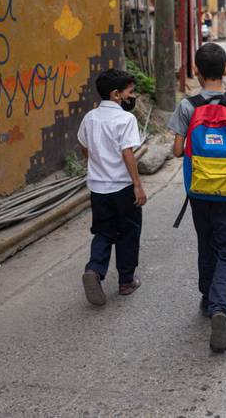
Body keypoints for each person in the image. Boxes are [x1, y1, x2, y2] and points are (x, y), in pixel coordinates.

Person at [168, 43, 226, 353]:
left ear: (196, 71)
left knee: (206, 241)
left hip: (198, 191)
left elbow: (178, 150)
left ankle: (208, 297)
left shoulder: (187, 106)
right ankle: (221, 307)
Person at [77, 69, 147, 306]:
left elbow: (84, 147)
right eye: (130, 92)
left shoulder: (90, 117)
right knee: (128, 232)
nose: (132, 96)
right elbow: (127, 152)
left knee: (103, 232)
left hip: (98, 188)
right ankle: (126, 281)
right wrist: (137, 185)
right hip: (122, 187)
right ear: (116, 94)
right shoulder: (126, 120)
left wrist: (96, 163)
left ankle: (94, 270)